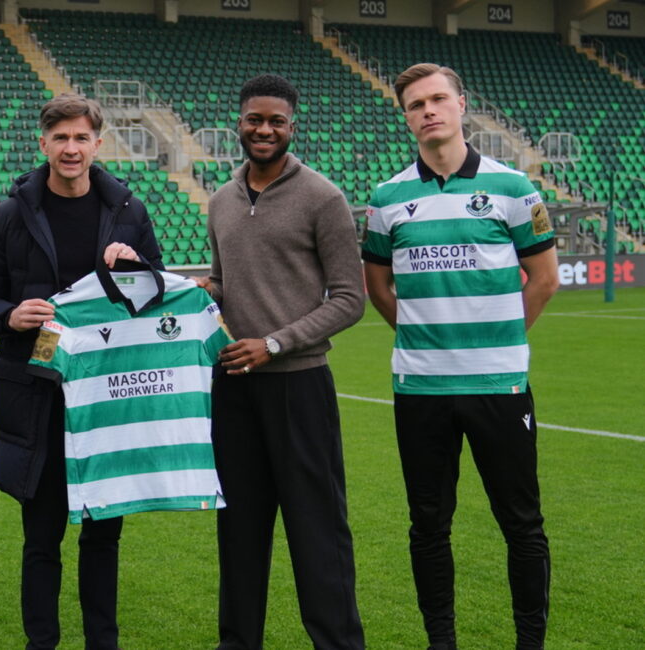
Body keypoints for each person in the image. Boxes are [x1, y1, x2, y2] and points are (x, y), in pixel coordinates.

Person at [362, 63, 559, 650]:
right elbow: (378, 287)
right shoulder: (386, 199)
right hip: (421, 389)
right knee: (428, 526)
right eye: (415, 104)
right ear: (405, 117)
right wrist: (429, 337)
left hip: (499, 386)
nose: (428, 110)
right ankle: (440, 642)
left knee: (521, 524)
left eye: (437, 99)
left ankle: (530, 642)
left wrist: (496, 339)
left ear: (461, 105)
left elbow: (544, 280)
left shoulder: (513, 189)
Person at [0, 93, 162, 650]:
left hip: (103, 394)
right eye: (60, 138)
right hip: (37, 395)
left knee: (103, 534)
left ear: (98, 144)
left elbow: (156, 295)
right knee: (42, 537)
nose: (71, 148)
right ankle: (41, 643)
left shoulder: (129, 211)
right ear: (42, 143)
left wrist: (138, 268)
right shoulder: (7, 214)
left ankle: (104, 641)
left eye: (81, 138)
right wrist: (10, 315)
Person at [202, 74, 366, 650]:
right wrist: (192, 291)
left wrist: (274, 343)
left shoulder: (323, 198)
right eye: (254, 119)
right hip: (234, 390)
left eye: (276, 121)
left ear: (293, 127)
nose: (264, 129)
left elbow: (351, 299)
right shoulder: (220, 200)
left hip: (299, 388)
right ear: (239, 124)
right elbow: (224, 283)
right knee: (239, 532)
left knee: (317, 531)